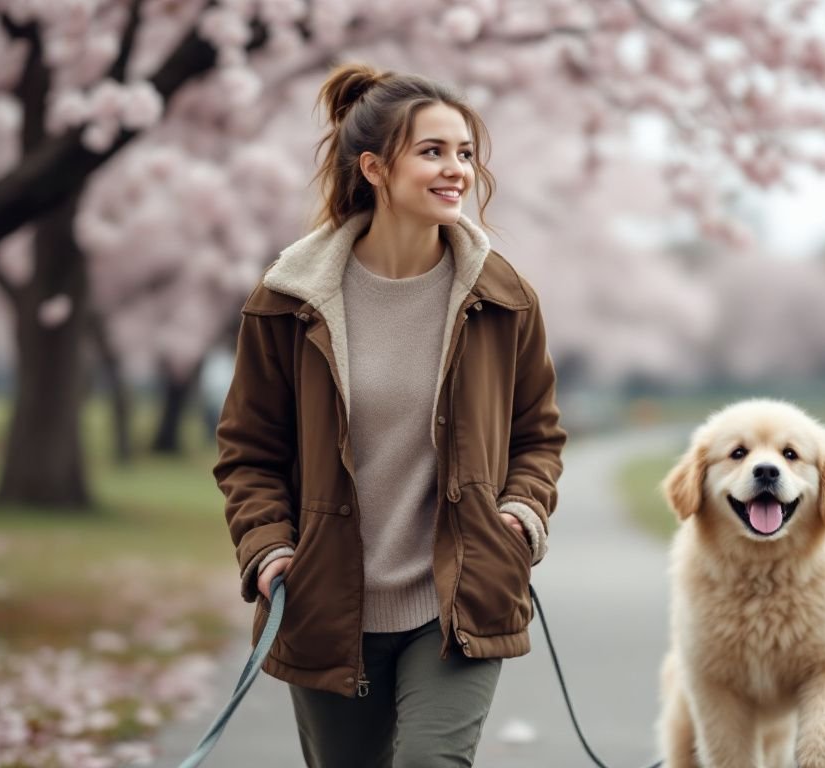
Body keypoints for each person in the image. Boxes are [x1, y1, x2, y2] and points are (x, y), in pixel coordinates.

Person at [213, 63, 566, 767]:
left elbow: (537, 435)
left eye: (465, 153)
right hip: (324, 600)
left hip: (459, 599)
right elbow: (248, 450)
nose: (456, 170)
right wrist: (268, 546)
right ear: (374, 166)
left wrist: (521, 513)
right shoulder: (288, 300)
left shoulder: (504, 298)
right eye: (432, 151)